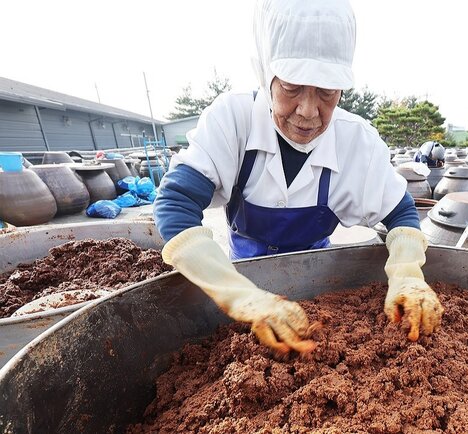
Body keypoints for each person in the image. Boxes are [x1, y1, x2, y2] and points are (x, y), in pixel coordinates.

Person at [154, 0, 443, 354]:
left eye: (327, 92)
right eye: (291, 86)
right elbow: (175, 204)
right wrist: (242, 297)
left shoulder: (356, 142)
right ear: (266, 73)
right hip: (246, 275)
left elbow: (401, 214)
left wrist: (406, 274)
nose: (308, 111)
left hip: (321, 285)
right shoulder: (233, 120)